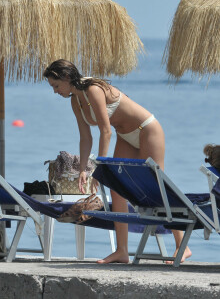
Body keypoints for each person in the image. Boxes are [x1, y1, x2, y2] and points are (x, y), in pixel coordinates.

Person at [43, 59, 191, 264]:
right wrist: (84, 169)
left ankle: (182, 246)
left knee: (156, 187)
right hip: (126, 136)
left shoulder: (93, 89)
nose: (55, 91)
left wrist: (99, 169)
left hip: (146, 130)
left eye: (56, 85)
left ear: (67, 78)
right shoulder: (74, 101)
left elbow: (105, 131)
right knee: (117, 190)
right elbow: (86, 138)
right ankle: (122, 251)